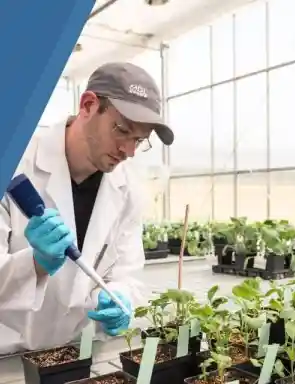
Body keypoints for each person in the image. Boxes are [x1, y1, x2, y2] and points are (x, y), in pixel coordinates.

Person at [0, 62, 174, 354]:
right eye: (122, 130)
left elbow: (127, 272)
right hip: (7, 353)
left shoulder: (128, 189)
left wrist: (119, 296)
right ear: (88, 105)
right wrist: (35, 264)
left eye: (139, 140)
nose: (129, 151)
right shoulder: (15, 162)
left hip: (76, 352)